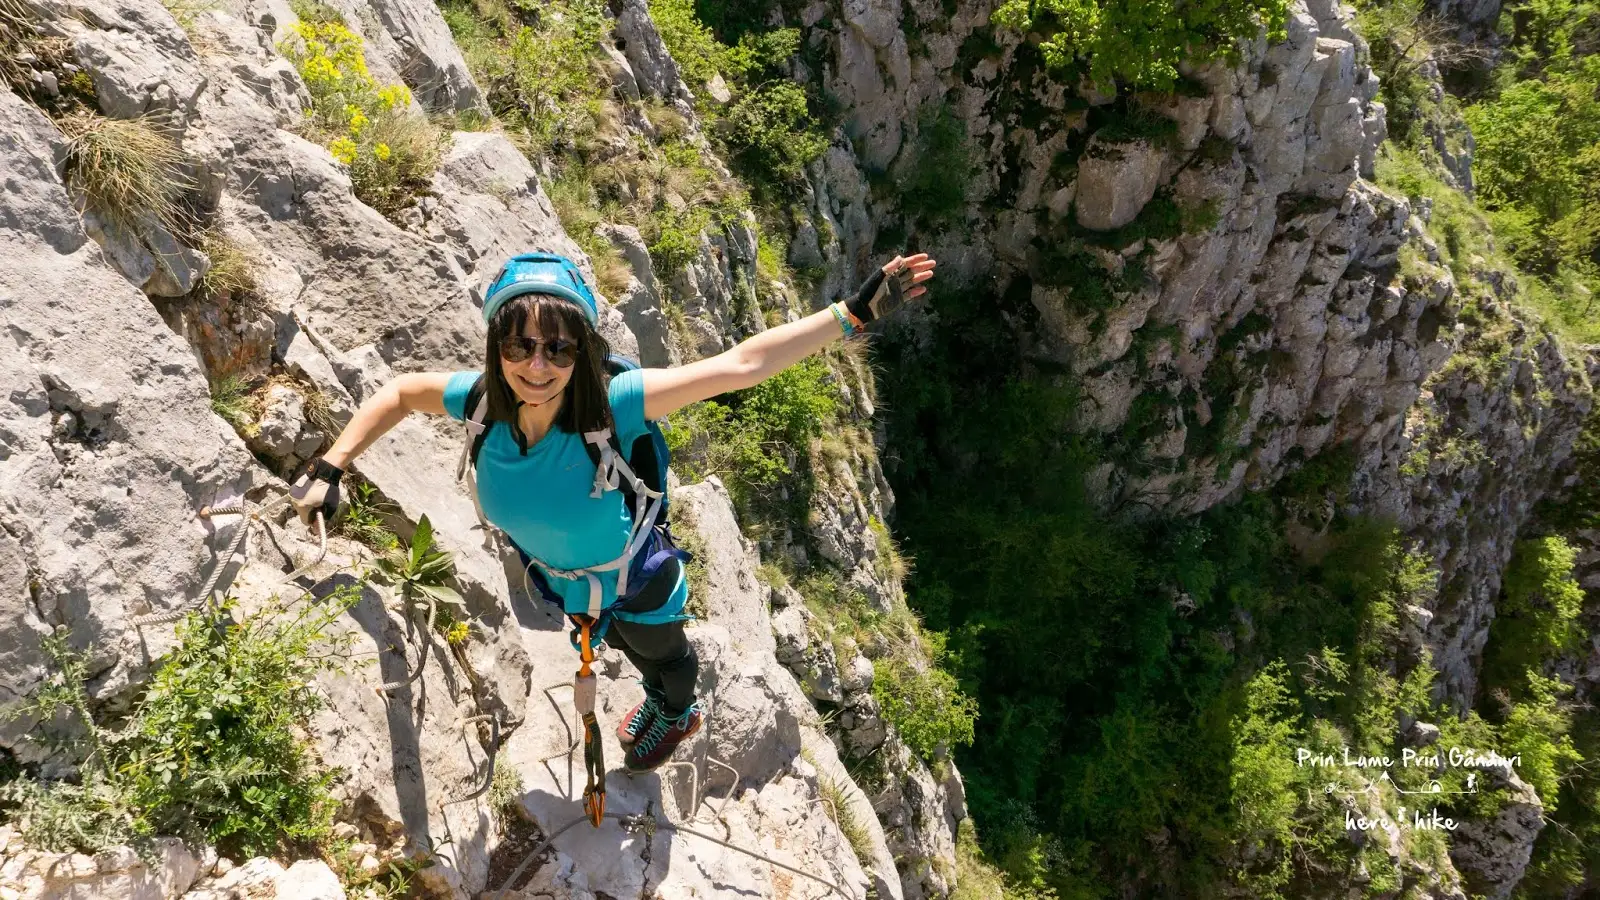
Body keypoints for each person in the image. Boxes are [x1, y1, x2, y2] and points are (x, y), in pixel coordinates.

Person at [289, 251, 936, 772]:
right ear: (497, 347)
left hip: (639, 579)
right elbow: (401, 393)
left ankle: (676, 714)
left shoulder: (613, 406)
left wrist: (851, 313)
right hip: (565, 581)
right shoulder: (482, 401)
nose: (536, 366)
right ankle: (654, 687)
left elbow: (740, 365)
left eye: (558, 349)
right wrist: (330, 466)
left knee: (663, 656)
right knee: (616, 640)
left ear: (582, 353)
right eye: (519, 347)